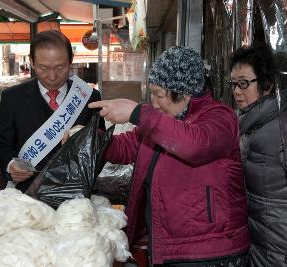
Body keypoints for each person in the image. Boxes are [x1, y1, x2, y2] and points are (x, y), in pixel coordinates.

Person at [89, 46, 250, 266]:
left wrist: (137, 113)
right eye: (152, 94)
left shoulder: (221, 118)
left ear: (184, 94)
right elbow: (126, 146)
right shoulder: (162, 123)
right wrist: (90, 140)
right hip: (168, 248)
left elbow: (194, 144)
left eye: (159, 95)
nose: (154, 103)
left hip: (210, 253)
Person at [0, 30, 105, 192]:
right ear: (31, 62)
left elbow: (101, 147)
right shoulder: (13, 98)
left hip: (77, 194)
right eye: (43, 68)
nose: (52, 76)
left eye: (60, 67)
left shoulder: (88, 97)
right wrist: (11, 165)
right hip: (27, 194)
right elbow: (2, 144)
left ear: (71, 61)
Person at [230, 46, 287, 266]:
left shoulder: (281, 127)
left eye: (244, 83)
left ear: (266, 84)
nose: (236, 91)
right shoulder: (248, 125)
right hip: (259, 244)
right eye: (233, 83)